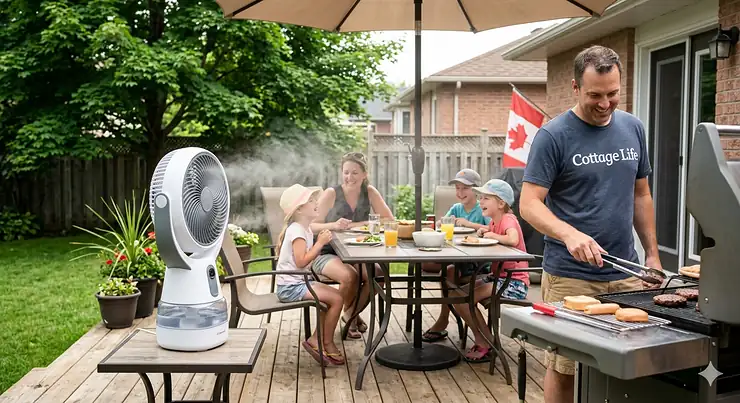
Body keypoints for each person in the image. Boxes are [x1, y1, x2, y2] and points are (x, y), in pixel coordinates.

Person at [519, 45, 663, 403]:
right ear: (575, 87)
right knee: (565, 367)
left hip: (626, 272)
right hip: (570, 275)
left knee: (628, 366)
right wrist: (569, 234)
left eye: (612, 94)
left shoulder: (633, 128)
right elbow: (528, 204)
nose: (604, 104)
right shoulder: (554, 136)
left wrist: (652, 255)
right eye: (595, 95)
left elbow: (640, 195)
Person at [311, 152, 394, 338]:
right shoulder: (332, 194)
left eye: (355, 173)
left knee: (377, 275)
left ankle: (349, 315)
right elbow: (312, 226)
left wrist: (358, 225)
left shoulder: (370, 192)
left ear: (364, 174)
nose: (350, 177)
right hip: (327, 253)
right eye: (346, 172)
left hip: (359, 252)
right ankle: (351, 320)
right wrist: (333, 225)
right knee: (350, 277)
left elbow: (389, 219)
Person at [451, 179, 529, 362]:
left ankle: (486, 341)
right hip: (498, 277)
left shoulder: (508, 219)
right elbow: (491, 230)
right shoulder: (495, 222)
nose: (480, 202)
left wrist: (492, 235)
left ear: (501, 203)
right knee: (457, 296)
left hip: (514, 282)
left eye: (486, 198)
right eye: (480, 198)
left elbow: (512, 238)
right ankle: (486, 338)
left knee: (464, 298)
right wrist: (484, 230)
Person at [275, 184, 346, 366]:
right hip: (291, 287)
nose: (316, 202)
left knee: (334, 298)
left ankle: (318, 339)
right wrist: (320, 243)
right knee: (337, 299)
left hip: (299, 282)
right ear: (299, 209)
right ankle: (324, 342)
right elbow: (301, 261)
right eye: (311, 200)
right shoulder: (297, 231)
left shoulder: (304, 228)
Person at [422, 168, 492, 343]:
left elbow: (491, 229)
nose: (460, 193)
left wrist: (469, 224)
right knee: (441, 269)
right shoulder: (456, 208)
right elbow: (441, 224)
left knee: (449, 272)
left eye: (465, 188)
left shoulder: (482, 209)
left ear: (476, 191)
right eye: (457, 188)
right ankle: (444, 318)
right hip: (457, 256)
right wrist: (441, 222)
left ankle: (444, 319)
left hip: (478, 263)